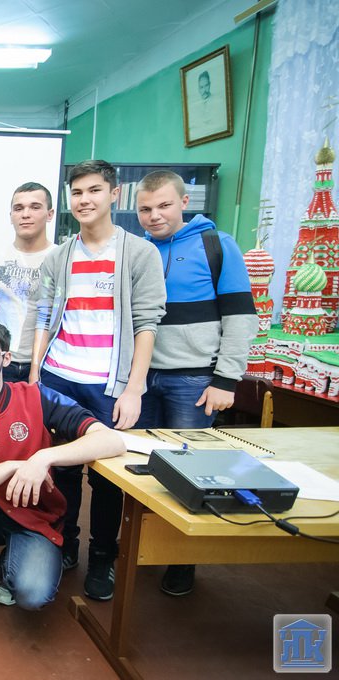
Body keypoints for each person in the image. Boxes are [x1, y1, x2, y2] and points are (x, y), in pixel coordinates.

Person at [0, 319, 124, 663]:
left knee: (33, 595)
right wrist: (12, 466)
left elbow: (111, 440)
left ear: (6, 358)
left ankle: (8, 570)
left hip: (33, 515)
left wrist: (44, 457)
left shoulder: (36, 396)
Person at [30, 159, 166, 601]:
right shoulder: (59, 256)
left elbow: (147, 324)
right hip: (59, 376)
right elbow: (44, 316)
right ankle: (65, 544)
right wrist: (35, 373)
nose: (84, 200)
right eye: (77, 193)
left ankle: (103, 556)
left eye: (93, 191)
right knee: (62, 469)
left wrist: (134, 387)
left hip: (108, 384)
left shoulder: (139, 253)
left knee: (107, 477)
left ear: (114, 194)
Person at [135, 170, 257, 597]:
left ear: (184, 202)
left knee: (189, 472)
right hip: (141, 379)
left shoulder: (216, 245)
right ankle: (141, 548)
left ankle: (182, 561)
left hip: (193, 379)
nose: (154, 215)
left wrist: (226, 379)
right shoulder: (140, 251)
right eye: (145, 209)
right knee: (141, 468)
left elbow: (240, 316)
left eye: (164, 205)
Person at [0, 182, 56, 383]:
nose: (25, 214)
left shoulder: (60, 258)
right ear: (11, 215)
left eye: (35, 207)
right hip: (2, 362)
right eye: (19, 208)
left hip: (48, 364)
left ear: (50, 214)